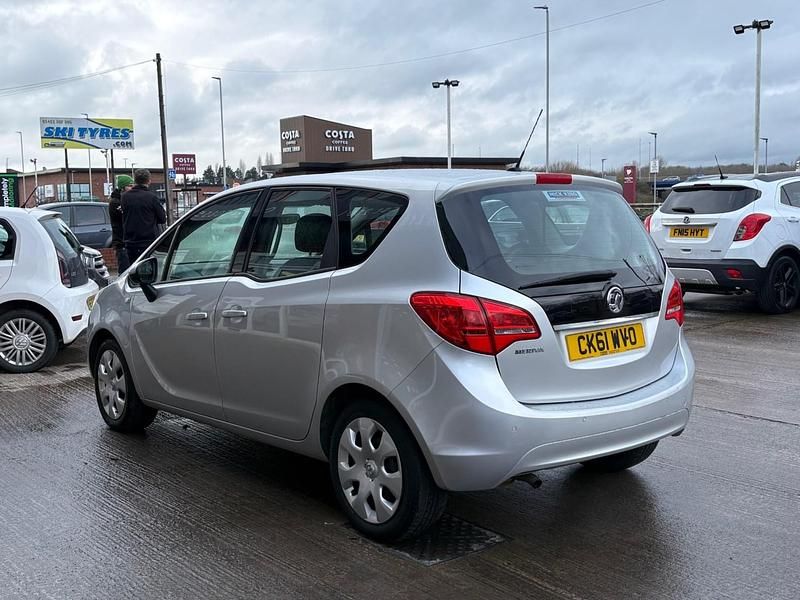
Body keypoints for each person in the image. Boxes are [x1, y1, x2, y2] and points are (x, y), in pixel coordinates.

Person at [121, 169, 166, 264]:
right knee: (150, 270)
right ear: (149, 180)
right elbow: (162, 218)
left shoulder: (125, 197)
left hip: (130, 240)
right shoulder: (151, 197)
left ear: (135, 180)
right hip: (148, 241)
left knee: (133, 268)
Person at [109, 174, 134, 272]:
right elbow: (126, 217)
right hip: (121, 241)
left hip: (128, 241)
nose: (132, 188)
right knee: (125, 271)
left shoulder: (125, 200)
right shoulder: (115, 203)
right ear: (123, 187)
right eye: (130, 186)